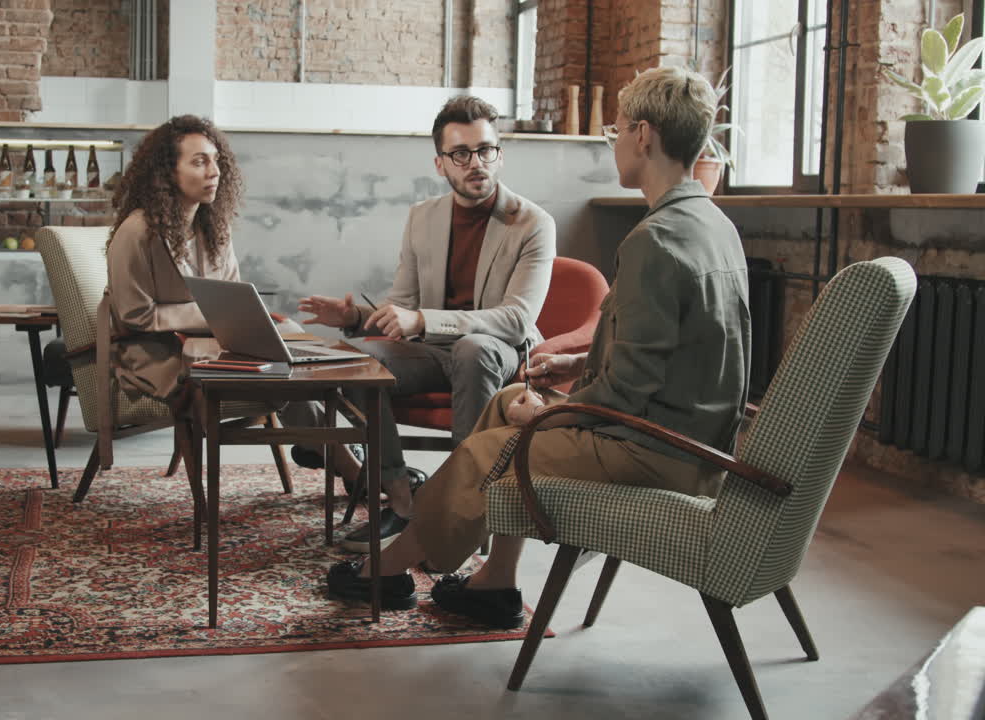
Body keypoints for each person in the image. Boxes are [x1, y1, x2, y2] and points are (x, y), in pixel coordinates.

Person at [324, 65, 752, 625]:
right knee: (505, 407)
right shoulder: (712, 225)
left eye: (617, 131)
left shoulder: (654, 239)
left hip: (657, 453)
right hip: (692, 439)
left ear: (644, 135)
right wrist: (577, 362)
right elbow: (662, 352)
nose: (616, 143)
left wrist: (559, 414)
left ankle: (389, 569)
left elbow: (625, 390)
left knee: (488, 449)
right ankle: (494, 582)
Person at [299, 96, 557, 552]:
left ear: (500, 153)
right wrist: (358, 318)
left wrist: (422, 320)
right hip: (433, 349)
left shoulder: (533, 223)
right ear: (441, 164)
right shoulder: (423, 217)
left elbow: (517, 319)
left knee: (472, 349)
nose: (475, 162)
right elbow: (401, 304)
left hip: (497, 350)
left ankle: (464, 506)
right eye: (461, 154)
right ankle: (402, 503)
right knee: (356, 358)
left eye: (486, 150)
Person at [106, 115, 349, 479]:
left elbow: (231, 296)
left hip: (216, 344)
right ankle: (348, 462)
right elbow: (133, 315)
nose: (214, 171)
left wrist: (244, 320)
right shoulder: (136, 232)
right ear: (167, 172)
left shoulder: (212, 228)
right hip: (154, 353)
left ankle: (338, 452)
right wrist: (212, 318)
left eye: (217, 161)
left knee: (296, 352)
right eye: (200, 161)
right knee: (284, 368)